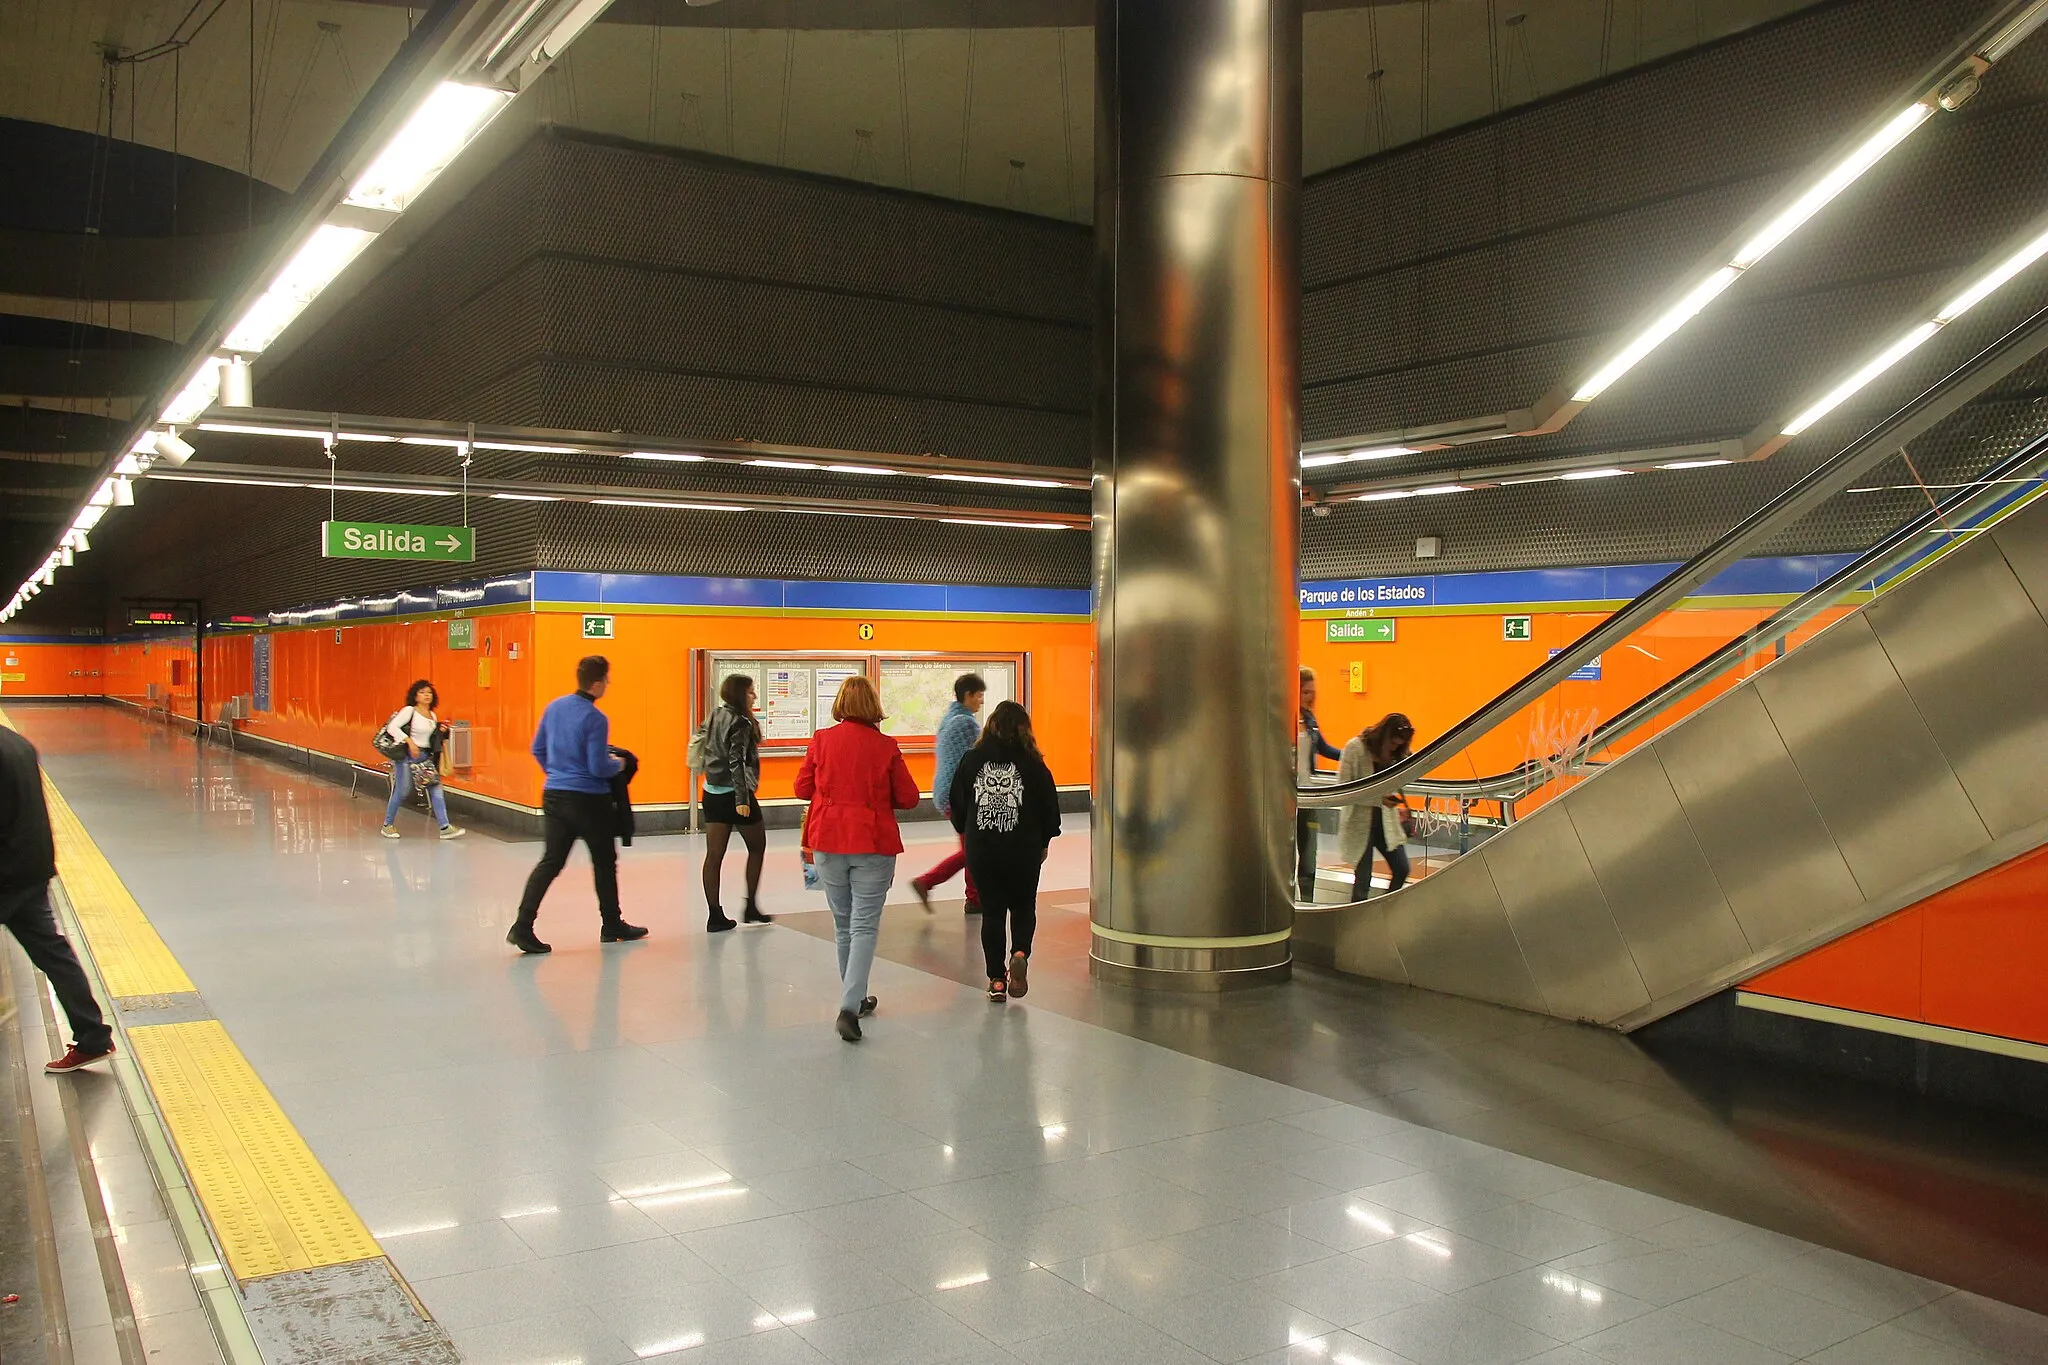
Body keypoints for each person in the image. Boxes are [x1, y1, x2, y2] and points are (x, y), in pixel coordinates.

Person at [794, 675, 919, 1043]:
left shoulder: (821, 740)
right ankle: (849, 1007)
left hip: (828, 840)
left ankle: (857, 996)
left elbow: (801, 788)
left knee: (843, 922)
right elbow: (909, 797)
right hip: (872, 841)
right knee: (864, 925)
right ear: (873, 707)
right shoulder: (886, 746)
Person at [507, 656, 648, 953]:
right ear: (597, 683)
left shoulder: (555, 707)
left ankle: (522, 926)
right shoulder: (595, 718)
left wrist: (558, 773)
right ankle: (612, 923)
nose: (608, 684)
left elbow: (538, 748)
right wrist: (619, 764)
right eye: (607, 680)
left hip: (555, 795)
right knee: (604, 862)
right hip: (589, 801)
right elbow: (598, 767)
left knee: (551, 862)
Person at [0, 726, 116, 1073]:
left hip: (6, 872)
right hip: (32, 865)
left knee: (52, 952)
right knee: (54, 953)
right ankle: (93, 1038)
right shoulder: (16, 742)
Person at [949, 701, 1060, 1003]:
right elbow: (1051, 808)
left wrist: (967, 828)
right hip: (1023, 850)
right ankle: (1020, 952)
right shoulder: (1034, 763)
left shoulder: (972, 760)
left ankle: (997, 980)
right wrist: (1045, 841)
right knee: (1024, 906)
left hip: (983, 851)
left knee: (993, 913)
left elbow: (956, 802)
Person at [909, 673, 985, 915]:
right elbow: (978, 757)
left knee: (972, 847)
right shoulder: (966, 724)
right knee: (973, 850)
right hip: (960, 795)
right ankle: (927, 881)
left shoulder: (950, 718)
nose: (981, 701)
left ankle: (974, 899)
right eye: (979, 695)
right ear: (968, 695)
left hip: (947, 792)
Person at [701, 674, 770, 932]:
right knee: (757, 846)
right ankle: (750, 905)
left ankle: (714, 914)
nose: (754, 696)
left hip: (711, 793)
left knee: (714, 855)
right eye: (751, 692)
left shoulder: (715, 715)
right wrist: (743, 799)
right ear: (741, 694)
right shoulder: (741, 722)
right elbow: (736, 761)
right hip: (736, 794)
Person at [1339, 713, 1416, 901]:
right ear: (1383, 735)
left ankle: (1385, 909)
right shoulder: (1354, 748)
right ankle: (1358, 921)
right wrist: (1379, 799)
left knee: (1402, 868)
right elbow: (1343, 789)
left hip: (1385, 823)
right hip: (1359, 823)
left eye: (1398, 745)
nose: (1393, 747)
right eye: (1392, 742)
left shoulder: (1395, 754)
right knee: (1363, 879)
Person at [379, 679, 464, 840]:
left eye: (429, 693)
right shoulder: (409, 711)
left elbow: (430, 739)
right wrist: (409, 742)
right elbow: (392, 727)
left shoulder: (432, 715)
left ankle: (445, 827)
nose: (426, 695)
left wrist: (440, 731)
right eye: (422, 692)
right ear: (415, 696)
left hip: (424, 757)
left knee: (436, 788)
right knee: (402, 790)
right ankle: (387, 825)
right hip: (407, 757)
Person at [1297, 667, 1341, 900]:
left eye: (1313, 692)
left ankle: (1306, 900)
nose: (1311, 697)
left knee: (1309, 851)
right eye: (1306, 692)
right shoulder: (1282, 719)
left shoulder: (1311, 719)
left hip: (1307, 795)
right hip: (1283, 798)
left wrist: (1355, 754)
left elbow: (1324, 748)